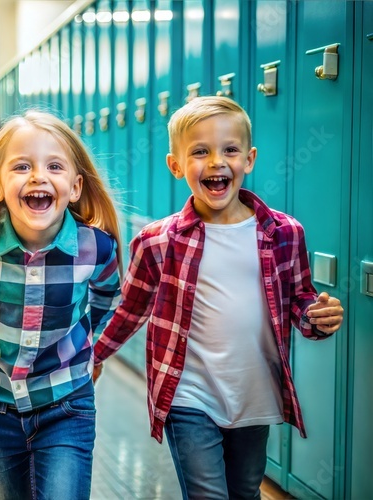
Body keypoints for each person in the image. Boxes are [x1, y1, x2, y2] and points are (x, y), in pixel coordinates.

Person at [92, 96, 344, 500]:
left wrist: (318, 317)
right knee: (208, 494)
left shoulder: (284, 233)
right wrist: (93, 355)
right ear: (176, 165)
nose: (216, 162)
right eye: (199, 152)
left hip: (253, 391)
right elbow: (130, 309)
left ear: (250, 158)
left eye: (229, 150)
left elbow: (299, 300)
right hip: (186, 393)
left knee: (245, 491)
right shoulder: (157, 241)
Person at [0, 110, 122, 499]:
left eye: (54, 166)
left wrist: (87, 347)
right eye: (22, 166)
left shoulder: (95, 248)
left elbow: (106, 296)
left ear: (75, 186)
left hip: (66, 402)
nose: (38, 176)